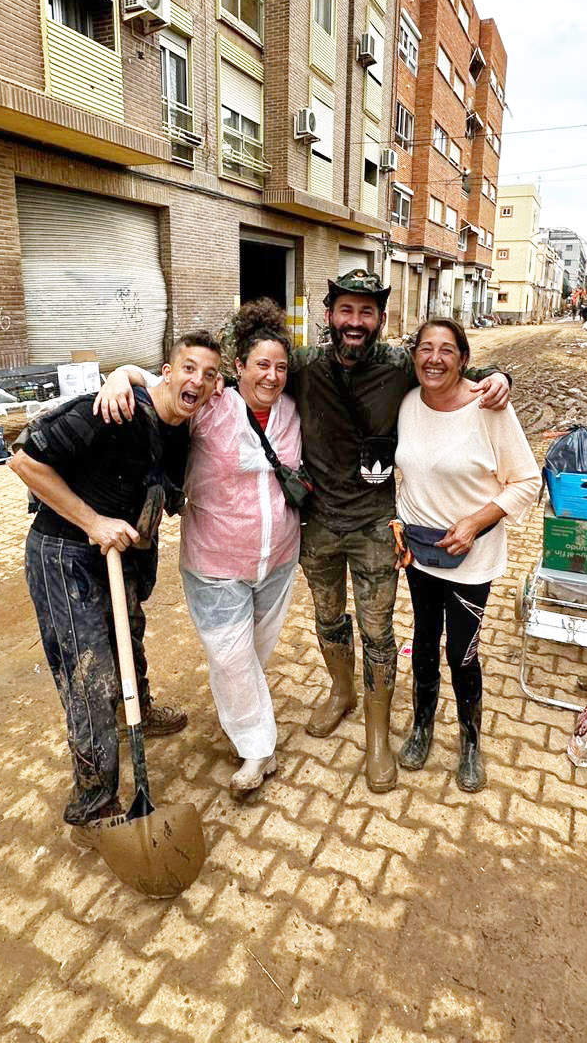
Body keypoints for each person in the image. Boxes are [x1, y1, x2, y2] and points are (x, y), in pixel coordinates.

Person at [100, 271, 509, 794]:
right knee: (327, 617)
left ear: (380, 319)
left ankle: (378, 735)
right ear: (329, 316)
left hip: (374, 526)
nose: (355, 322)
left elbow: (449, 369)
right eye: (346, 311)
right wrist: (123, 375)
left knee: (378, 631)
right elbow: (208, 383)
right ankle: (342, 692)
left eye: (366, 312)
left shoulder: (399, 366)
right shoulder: (304, 367)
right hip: (315, 525)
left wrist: (500, 378)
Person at [8, 332, 221, 845]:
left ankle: (139, 714)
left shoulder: (178, 429)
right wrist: (93, 521)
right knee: (91, 675)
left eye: (210, 374)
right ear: (166, 373)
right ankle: (94, 801)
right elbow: (21, 459)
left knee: (130, 637)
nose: (198, 380)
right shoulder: (110, 409)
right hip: (66, 554)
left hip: (118, 556)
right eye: (188, 368)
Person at [94, 301, 302, 796]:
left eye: (280, 367)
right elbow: (164, 385)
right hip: (216, 559)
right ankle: (258, 750)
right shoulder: (210, 403)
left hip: (278, 558)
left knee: (251, 655)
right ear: (239, 368)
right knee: (230, 656)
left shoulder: (295, 410)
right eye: (261, 365)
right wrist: (120, 374)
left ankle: (244, 724)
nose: (271, 376)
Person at [393, 318, 541, 791]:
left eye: (446, 350)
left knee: (461, 652)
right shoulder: (406, 403)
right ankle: (422, 726)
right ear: (414, 355)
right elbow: (409, 476)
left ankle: (471, 741)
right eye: (425, 348)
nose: (434, 358)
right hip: (419, 553)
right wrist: (398, 523)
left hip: (471, 560)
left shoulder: (488, 408)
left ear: (463, 360)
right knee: (422, 641)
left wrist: (476, 523)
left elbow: (527, 482)